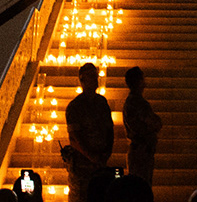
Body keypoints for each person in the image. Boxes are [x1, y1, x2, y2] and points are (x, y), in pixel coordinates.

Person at [60, 64, 113, 202]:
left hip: (100, 164)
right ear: (82, 80)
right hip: (82, 168)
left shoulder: (102, 103)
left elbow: (109, 130)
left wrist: (105, 154)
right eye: (91, 76)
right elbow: (74, 138)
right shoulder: (75, 107)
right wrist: (91, 156)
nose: (95, 79)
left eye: (96, 75)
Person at [121, 67, 162, 187]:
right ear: (139, 81)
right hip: (141, 152)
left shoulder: (131, 102)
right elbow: (154, 123)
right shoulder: (138, 103)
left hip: (139, 150)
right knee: (141, 187)